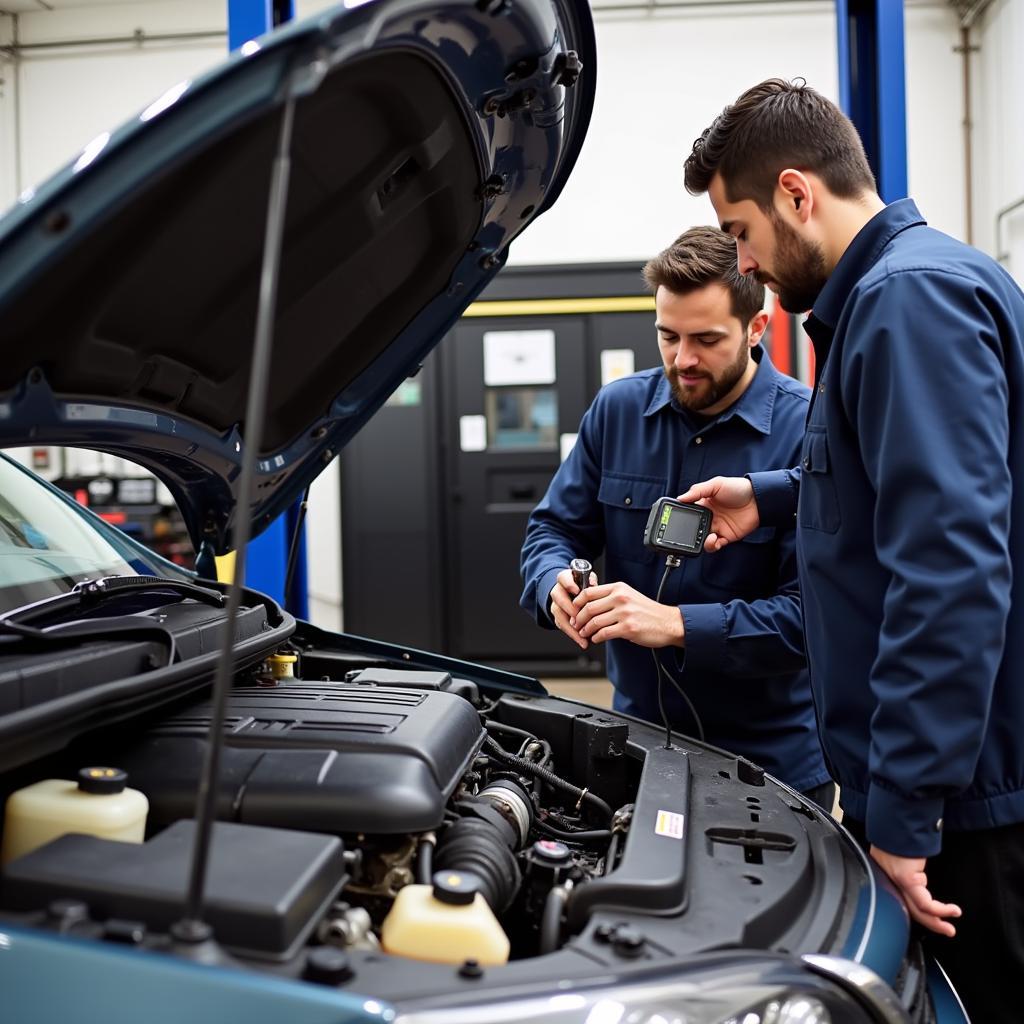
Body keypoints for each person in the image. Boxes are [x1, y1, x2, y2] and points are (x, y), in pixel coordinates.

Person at [679, 78, 1024, 1019]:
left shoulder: (907, 304)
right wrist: (776, 494)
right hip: (957, 780)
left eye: (741, 232)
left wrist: (907, 814)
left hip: (968, 800)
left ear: (797, 193)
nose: (744, 263)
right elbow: (898, 485)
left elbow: (949, 564)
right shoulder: (898, 291)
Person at [519, 226, 831, 805]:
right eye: (668, 336)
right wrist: (552, 583)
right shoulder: (617, 412)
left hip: (769, 765)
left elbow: (811, 621)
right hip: (633, 745)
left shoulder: (808, 432)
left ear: (756, 327)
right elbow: (553, 529)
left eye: (707, 340)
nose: (683, 360)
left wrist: (675, 624)